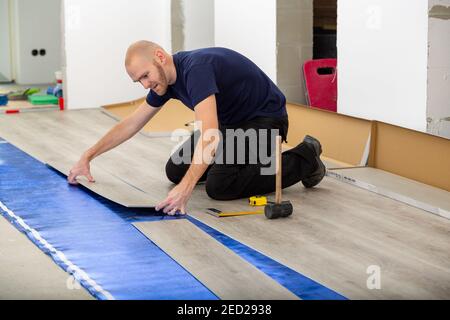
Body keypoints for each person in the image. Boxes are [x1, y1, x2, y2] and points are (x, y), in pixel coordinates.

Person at [68, 40, 325, 215]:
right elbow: (132, 122)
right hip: (229, 125)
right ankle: (233, 163)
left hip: (263, 120)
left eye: (145, 76)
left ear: (160, 57)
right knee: (175, 170)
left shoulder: (196, 70)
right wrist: (87, 156)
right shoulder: (165, 82)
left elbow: (210, 134)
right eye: (139, 81)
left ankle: (307, 157)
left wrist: (187, 189)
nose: (145, 85)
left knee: (220, 187)